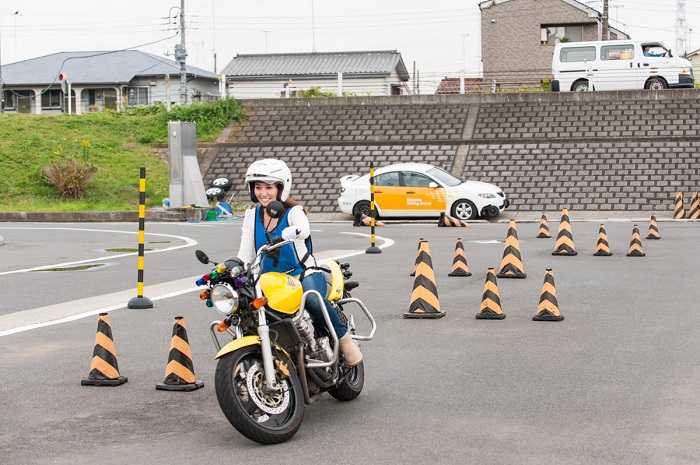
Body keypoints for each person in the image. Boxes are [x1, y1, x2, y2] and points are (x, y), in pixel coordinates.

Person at [236, 158, 363, 366]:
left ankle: (346, 341)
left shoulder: (293, 212)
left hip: (302, 273)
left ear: (281, 188)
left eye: (269, 187)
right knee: (246, 307)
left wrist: (291, 232)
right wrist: (234, 266)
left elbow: (304, 229)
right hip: (271, 281)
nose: (263, 193)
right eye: (258, 187)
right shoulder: (251, 216)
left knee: (312, 300)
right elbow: (244, 251)